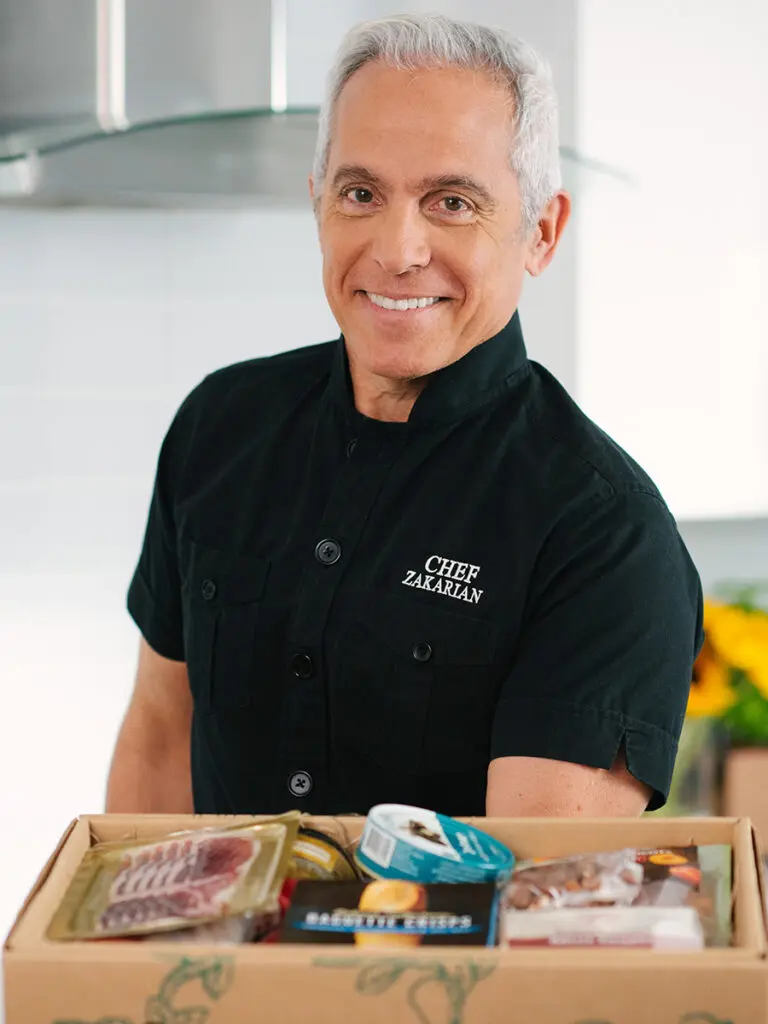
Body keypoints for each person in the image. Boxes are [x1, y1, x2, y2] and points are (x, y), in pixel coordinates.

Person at [106, 13, 703, 819]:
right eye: (361, 193)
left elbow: (535, 899)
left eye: (451, 201)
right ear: (318, 203)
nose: (397, 248)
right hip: (205, 949)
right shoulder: (219, 428)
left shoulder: (603, 536)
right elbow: (157, 737)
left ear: (542, 231)